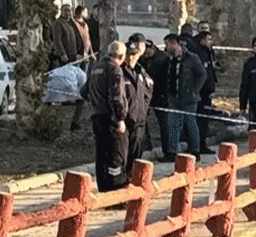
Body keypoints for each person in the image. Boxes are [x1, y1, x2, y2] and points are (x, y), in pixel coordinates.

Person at [87, 41, 128, 191]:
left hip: (96, 116)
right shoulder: (114, 69)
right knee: (115, 155)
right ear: (122, 56)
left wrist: (95, 101)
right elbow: (116, 97)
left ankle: (103, 187)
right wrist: (120, 118)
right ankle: (115, 188)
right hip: (110, 118)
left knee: (101, 155)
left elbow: (84, 91)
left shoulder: (95, 67)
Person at [160, 33, 207, 160]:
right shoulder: (169, 59)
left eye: (167, 44)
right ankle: (171, 153)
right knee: (173, 124)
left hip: (188, 98)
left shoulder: (191, 58)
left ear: (174, 44)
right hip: (173, 97)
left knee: (190, 124)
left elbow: (202, 74)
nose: (166, 47)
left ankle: (195, 151)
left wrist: (194, 91)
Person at [122, 36, 154, 173]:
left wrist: (144, 108)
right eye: (128, 55)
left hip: (139, 121)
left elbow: (149, 90)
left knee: (136, 158)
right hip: (125, 120)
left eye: (134, 55)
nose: (131, 58)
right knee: (123, 157)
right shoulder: (119, 72)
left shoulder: (141, 72)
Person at [194, 27, 218, 154]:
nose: (210, 42)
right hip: (202, 94)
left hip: (207, 93)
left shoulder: (208, 52)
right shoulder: (200, 54)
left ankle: (201, 143)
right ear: (202, 40)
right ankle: (199, 145)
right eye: (208, 39)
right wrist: (207, 90)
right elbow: (203, 75)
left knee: (204, 121)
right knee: (201, 120)